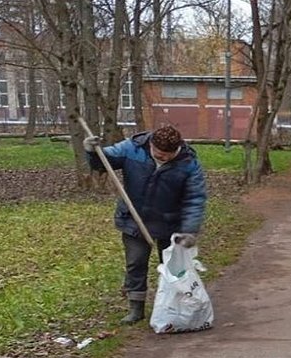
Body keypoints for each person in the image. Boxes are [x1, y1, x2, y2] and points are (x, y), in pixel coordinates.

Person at [83, 125, 207, 324]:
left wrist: (189, 230)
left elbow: (195, 198)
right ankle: (136, 309)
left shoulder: (188, 163)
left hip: (170, 223)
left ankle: (170, 306)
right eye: (159, 154)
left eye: (168, 155)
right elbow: (103, 161)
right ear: (151, 144)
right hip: (134, 219)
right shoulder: (132, 148)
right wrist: (91, 151)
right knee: (136, 263)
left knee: (172, 268)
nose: (163, 158)